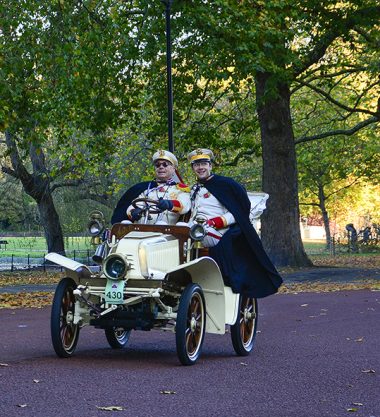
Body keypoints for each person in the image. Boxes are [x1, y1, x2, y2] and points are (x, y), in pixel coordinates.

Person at [187, 148, 282, 298]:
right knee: (177, 231)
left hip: (217, 233)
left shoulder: (226, 184)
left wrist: (215, 222)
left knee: (189, 232)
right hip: (196, 230)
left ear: (210, 165)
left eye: (204, 163)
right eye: (196, 165)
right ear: (193, 168)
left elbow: (239, 211)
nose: (200, 167)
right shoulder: (194, 189)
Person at [111, 150, 191, 225]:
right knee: (125, 223)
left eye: (165, 164)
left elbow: (184, 206)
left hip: (167, 233)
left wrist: (169, 204)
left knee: (161, 224)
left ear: (173, 169)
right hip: (142, 230)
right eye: (157, 165)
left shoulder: (180, 189)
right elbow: (133, 205)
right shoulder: (147, 188)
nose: (161, 167)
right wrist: (133, 212)